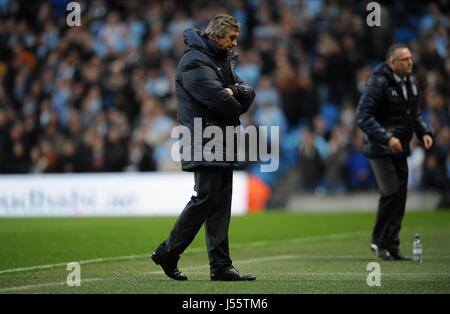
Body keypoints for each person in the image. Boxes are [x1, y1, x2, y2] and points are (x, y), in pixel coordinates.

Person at [150, 14, 256, 281]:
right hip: (203, 139)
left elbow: (248, 93)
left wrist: (234, 92)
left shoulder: (219, 61)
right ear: (217, 35)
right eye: (231, 37)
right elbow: (226, 103)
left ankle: (220, 265)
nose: (234, 43)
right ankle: (168, 252)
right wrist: (234, 93)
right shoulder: (194, 62)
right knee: (207, 197)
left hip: (223, 138)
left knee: (220, 202)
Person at [356, 44, 433, 260]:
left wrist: (424, 131)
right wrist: (387, 138)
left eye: (410, 58)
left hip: (401, 147)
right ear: (392, 63)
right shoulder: (377, 83)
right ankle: (378, 240)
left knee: (400, 196)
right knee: (391, 191)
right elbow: (362, 116)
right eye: (405, 59)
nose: (410, 62)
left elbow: (414, 113)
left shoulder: (411, 83)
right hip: (379, 148)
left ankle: (392, 245)